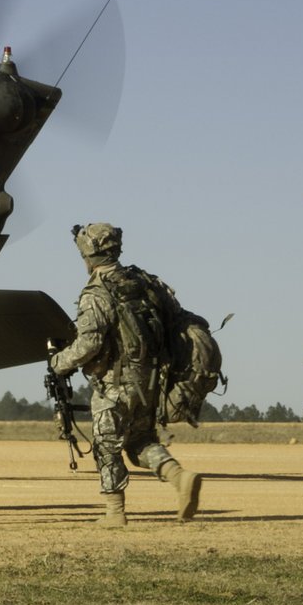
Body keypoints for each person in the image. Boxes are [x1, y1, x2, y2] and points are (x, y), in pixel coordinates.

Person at [46, 223, 203, 526]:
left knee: (106, 444)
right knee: (139, 440)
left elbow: (89, 343)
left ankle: (114, 512)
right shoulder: (146, 281)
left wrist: (59, 362)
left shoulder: (96, 292)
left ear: (88, 254)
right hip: (153, 378)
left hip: (115, 384)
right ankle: (179, 476)